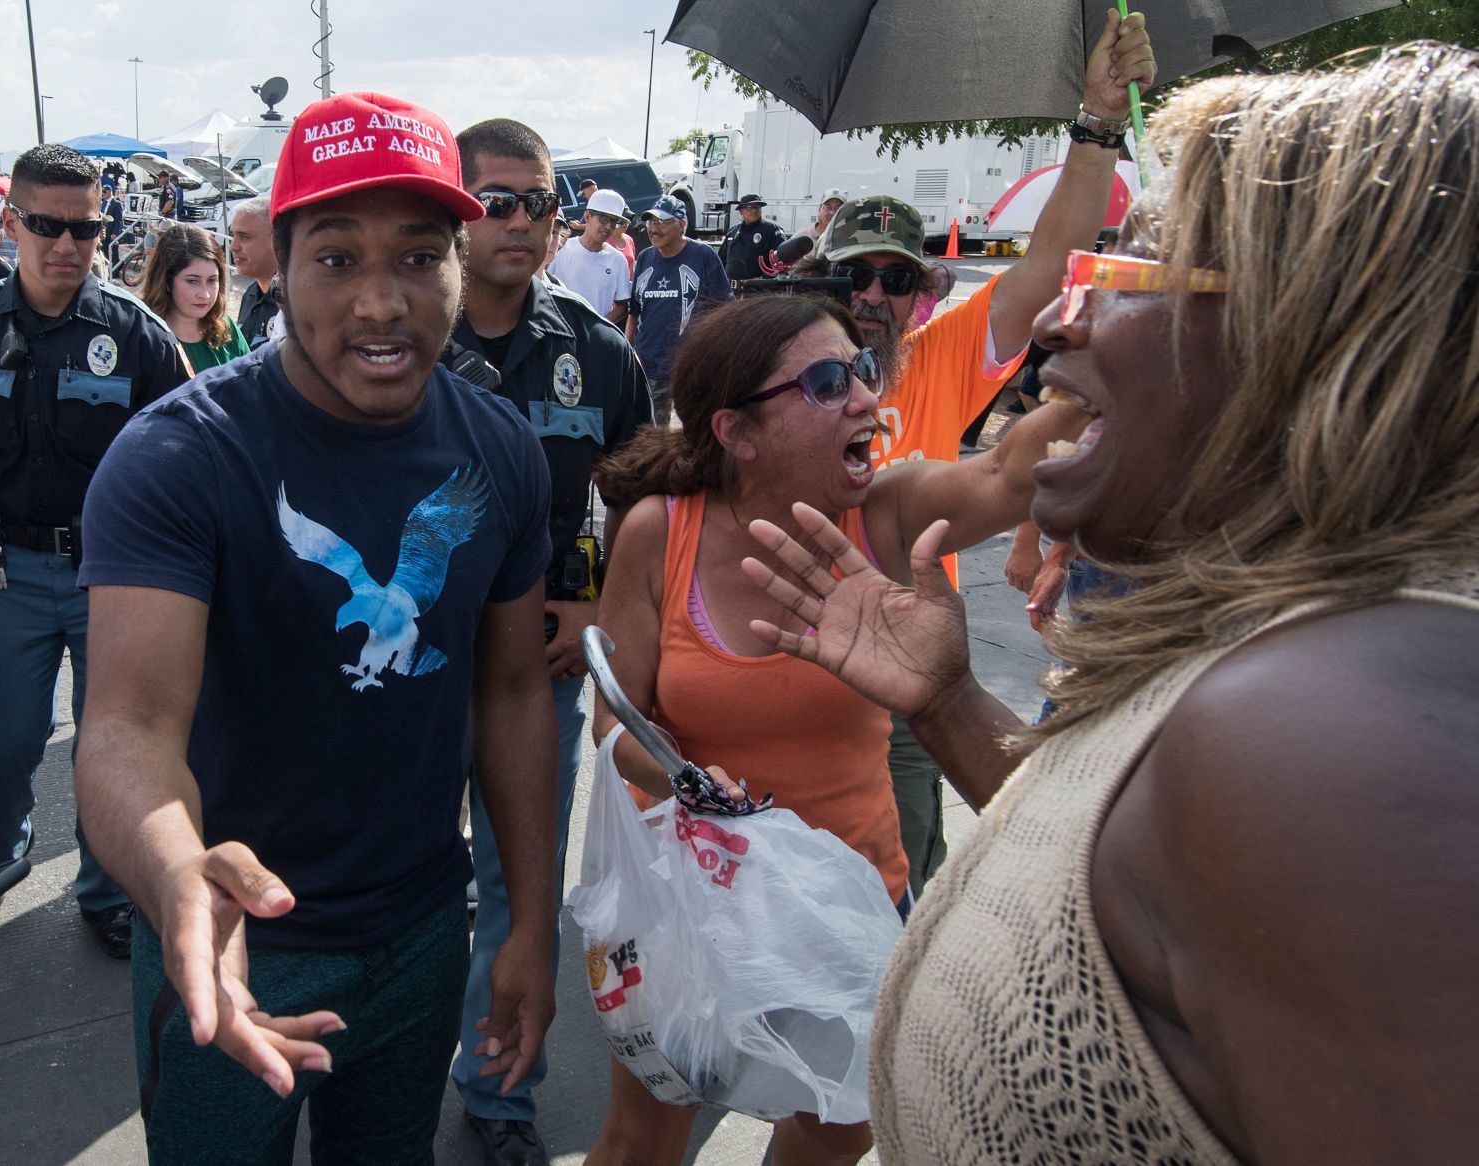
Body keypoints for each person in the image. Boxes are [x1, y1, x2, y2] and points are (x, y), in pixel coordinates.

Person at [740, 42, 1479, 1166]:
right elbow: (1108, 882)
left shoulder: (1334, 745)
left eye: (1135, 265)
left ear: (1318, 339)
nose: (1060, 326)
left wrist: (1091, 127)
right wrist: (945, 701)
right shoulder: (1283, 664)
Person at [73, 90, 559, 1164]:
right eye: (336, 258)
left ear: (457, 266)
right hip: (235, 936)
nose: (382, 301)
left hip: (426, 928)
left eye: (419, 257)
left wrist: (530, 922)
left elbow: (515, 691)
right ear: (277, 268)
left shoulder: (502, 452)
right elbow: (128, 726)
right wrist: (176, 880)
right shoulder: (179, 457)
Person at [585, 291, 1081, 1166]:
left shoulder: (886, 514)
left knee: (832, 1139)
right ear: (735, 431)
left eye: (860, 371)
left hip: (850, 903)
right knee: (640, 1144)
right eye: (824, 382)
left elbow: (1009, 474)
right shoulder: (658, 533)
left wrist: (1107, 347)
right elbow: (612, 728)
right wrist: (694, 785)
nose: (864, 398)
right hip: (686, 909)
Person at [794, 9, 1156, 899]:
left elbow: (1048, 262)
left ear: (922, 293)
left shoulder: (947, 351)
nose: (873, 295)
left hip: (916, 663)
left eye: (896, 277)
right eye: (855, 276)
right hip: (797, 655)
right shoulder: (782, 370)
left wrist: (1098, 122)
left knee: (912, 874)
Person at [0, 144, 187, 975]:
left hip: (122, 583)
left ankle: (105, 891)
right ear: (12, 223)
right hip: (11, 576)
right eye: (47, 225)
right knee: (3, 739)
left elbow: (188, 467)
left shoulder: (137, 335)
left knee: (115, 744)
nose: (67, 243)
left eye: (86, 227)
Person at [448, 116, 653, 1166]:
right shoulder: (394, 330)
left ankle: (497, 1089)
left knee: (521, 886)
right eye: (497, 199)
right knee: (397, 876)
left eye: (540, 202)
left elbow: (646, 503)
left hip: (538, 666)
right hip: (404, 667)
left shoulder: (596, 351)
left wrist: (602, 604)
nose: (521, 221)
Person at [625, 196, 732, 424]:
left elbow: (724, 309)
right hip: (649, 364)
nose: (654, 228)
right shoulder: (645, 258)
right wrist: (628, 351)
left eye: (662, 222)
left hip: (689, 366)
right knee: (653, 435)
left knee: (696, 430)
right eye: (650, 222)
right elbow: (634, 312)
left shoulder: (703, 256)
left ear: (682, 224)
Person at [139, 223, 249, 374]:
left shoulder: (228, 329)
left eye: (212, 280)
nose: (205, 294)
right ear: (166, 280)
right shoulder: (141, 336)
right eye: (192, 281)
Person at [546, 189, 632, 323]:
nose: (608, 227)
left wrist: (597, 330)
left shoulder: (618, 260)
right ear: (587, 217)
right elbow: (544, 290)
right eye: (604, 219)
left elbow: (622, 307)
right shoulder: (562, 249)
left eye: (615, 222)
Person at [228, 196, 280, 347]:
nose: (233, 247)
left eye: (244, 237)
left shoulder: (296, 303)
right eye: (233, 236)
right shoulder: (251, 293)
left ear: (277, 241)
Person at [719, 193, 787, 281]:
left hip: (756, 289)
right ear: (741, 211)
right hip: (731, 289)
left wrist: (763, 279)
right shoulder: (733, 231)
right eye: (750, 208)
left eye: (757, 207)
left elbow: (782, 258)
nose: (754, 210)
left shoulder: (771, 229)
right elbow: (721, 260)